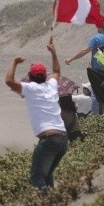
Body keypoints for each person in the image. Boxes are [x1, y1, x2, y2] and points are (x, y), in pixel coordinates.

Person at [5, 37, 68, 192]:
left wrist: (14, 61)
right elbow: (57, 71)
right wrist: (53, 52)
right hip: (62, 139)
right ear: (44, 76)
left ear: (30, 77)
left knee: (36, 177)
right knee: (47, 175)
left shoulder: (30, 88)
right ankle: (54, 203)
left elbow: (8, 81)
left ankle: (47, 203)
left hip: (49, 140)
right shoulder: (51, 85)